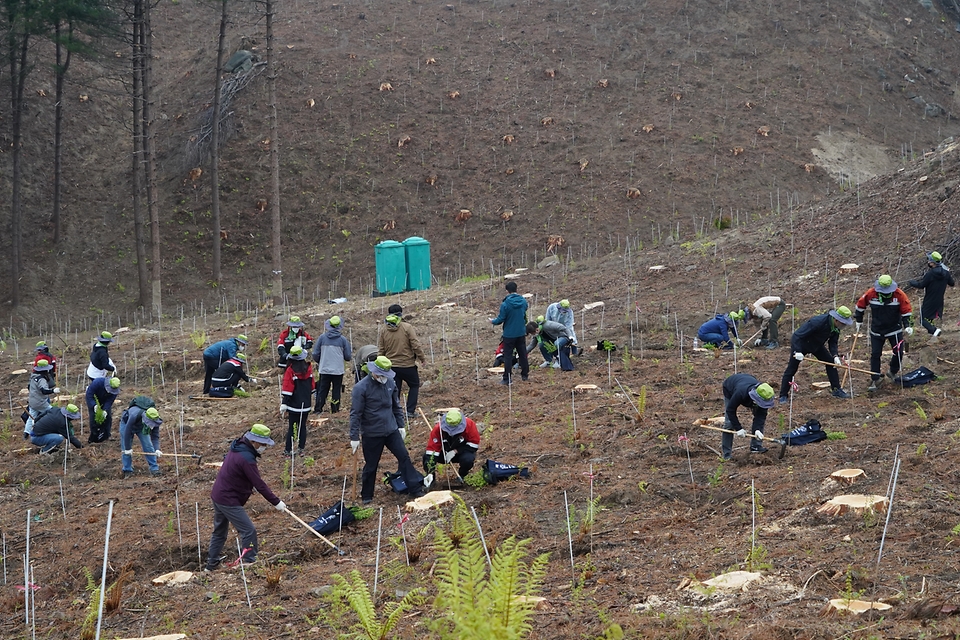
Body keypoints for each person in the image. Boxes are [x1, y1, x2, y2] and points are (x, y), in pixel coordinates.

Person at [204, 424, 285, 571]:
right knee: (248, 530)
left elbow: (242, 476)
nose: (264, 447)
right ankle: (249, 562)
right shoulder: (247, 458)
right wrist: (276, 502)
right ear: (254, 441)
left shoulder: (238, 446)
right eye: (262, 444)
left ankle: (211, 564)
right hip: (228, 499)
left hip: (219, 494)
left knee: (219, 531)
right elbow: (259, 484)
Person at [349, 356, 428, 504]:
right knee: (371, 465)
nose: (384, 378)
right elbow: (355, 414)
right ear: (374, 372)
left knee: (404, 457)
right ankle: (367, 497)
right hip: (372, 433)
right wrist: (354, 437)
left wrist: (401, 425)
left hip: (391, 430)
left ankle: (415, 489)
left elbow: (396, 406)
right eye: (381, 375)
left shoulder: (390, 383)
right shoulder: (361, 388)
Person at [778, 307, 854, 403]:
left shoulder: (836, 328)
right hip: (802, 345)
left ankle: (836, 390)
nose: (844, 326)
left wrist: (835, 356)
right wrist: (797, 351)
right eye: (843, 323)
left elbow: (833, 342)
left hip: (817, 346)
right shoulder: (818, 322)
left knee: (831, 363)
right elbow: (796, 336)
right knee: (792, 369)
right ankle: (783, 395)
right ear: (836, 320)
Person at [855, 275, 914, 391]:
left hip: (894, 330)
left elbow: (906, 311)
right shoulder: (871, 294)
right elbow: (860, 306)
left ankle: (892, 371)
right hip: (877, 331)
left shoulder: (899, 295)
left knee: (899, 352)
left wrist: (908, 326)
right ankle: (875, 378)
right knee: (875, 354)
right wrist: (859, 320)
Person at [378, 304, 427, 419]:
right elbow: (415, 345)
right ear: (401, 314)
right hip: (408, 365)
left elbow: (381, 349)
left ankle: (394, 412)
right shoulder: (407, 327)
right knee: (414, 385)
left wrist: (379, 366)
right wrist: (422, 359)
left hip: (391, 367)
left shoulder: (384, 329)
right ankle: (410, 411)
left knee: (395, 390)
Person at [720, 374, 775, 460]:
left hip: (747, 380)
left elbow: (760, 417)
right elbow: (730, 410)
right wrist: (738, 428)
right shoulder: (740, 393)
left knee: (759, 421)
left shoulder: (765, 396)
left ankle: (756, 446)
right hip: (729, 387)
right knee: (729, 423)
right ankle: (727, 454)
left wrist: (757, 430)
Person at [422, 408, 481, 482]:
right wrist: (430, 472)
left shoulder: (470, 425)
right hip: (444, 453)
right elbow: (431, 451)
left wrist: (456, 451)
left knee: (468, 459)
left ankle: (463, 475)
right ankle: (431, 480)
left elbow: (474, 445)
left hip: (461, 453)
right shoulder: (438, 429)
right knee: (426, 458)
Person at [907, 251, 954, 339]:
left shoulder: (930, 274)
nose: (928, 262)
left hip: (929, 300)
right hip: (940, 300)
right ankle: (933, 336)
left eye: (929, 261)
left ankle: (934, 331)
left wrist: (912, 283)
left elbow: (921, 285)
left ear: (933, 263)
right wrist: (948, 274)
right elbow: (952, 283)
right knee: (930, 318)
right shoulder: (946, 273)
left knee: (922, 320)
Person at [491, 281, 529, 385]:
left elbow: (501, 319)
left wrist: (492, 321)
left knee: (507, 356)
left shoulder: (505, 303)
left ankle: (507, 378)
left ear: (507, 291)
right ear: (516, 289)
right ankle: (525, 375)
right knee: (522, 354)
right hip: (521, 332)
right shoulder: (523, 301)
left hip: (509, 334)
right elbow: (525, 309)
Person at [312, 316, 352, 413]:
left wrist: (320, 361)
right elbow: (348, 356)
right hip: (338, 370)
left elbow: (315, 354)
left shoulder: (322, 338)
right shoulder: (343, 340)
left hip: (324, 368)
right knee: (336, 390)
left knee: (322, 390)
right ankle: (335, 410)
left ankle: (318, 409)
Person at [281, 346, 314, 456]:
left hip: (294, 405)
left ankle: (288, 450)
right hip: (306, 404)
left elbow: (287, 387)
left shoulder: (290, 370)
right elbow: (312, 386)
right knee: (302, 427)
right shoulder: (308, 369)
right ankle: (301, 449)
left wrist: (284, 403)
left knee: (292, 427)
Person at [119, 397, 163, 477]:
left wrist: (157, 449)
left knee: (148, 445)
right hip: (126, 425)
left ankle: (154, 468)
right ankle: (127, 470)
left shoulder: (155, 418)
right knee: (125, 448)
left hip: (141, 427)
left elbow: (155, 436)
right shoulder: (134, 415)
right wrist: (128, 448)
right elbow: (127, 433)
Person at [25, 359, 59, 438]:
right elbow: (44, 391)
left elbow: (29, 387)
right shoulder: (42, 379)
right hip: (40, 402)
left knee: (31, 418)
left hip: (32, 401)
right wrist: (53, 391)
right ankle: (54, 429)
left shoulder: (33, 377)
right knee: (53, 413)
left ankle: (26, 433)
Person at [85, 376, 121, 443]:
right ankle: (94, 436)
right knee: (94, 418)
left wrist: (105, 410)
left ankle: (106, 435)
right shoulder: (97, 382)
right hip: (94, 400)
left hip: (104, 401)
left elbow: (110, 401)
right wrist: (94, 405)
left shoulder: (115, 391)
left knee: (108, 418)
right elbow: (89, 395)